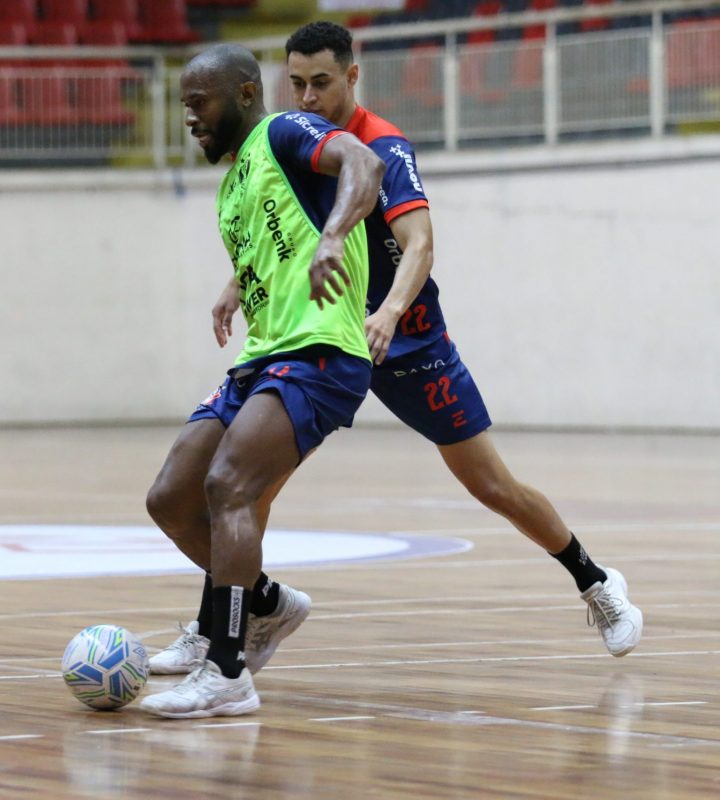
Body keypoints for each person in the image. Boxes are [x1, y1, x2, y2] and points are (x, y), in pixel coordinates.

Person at [150, 21, 643, 681]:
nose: (308, 97)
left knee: (490, 484)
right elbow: (284, 224)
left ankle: (595, 581)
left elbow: (419, 245)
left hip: (403, 339)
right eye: (295, 83)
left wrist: (386, 312)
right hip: (324, 341)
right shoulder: (294, 142)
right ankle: (225, 625)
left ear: (352, 77)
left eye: (321, 83)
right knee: (243, 487)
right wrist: (238, 283)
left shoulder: (381, 146)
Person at [139, 44, 385, 719]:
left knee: (230, 486)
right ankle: (267, 603)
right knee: (170, 497)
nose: (189, 118)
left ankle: (227, 671)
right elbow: (277, 249)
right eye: (184, 105)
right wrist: (236, 288)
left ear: (246, 94)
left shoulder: (285, 131)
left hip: (322, 353)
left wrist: (337, 234)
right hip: (265, 356)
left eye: (199, 103)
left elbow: (363, 164)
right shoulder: (233, 184)